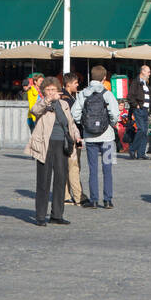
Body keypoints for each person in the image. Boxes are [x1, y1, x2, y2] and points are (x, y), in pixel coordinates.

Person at [27, 76, 80, 226]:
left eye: (53, 90)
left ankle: (57, 214)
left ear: (58, 90)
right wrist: (48, 100)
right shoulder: (42, 103)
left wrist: (76, 135)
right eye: (48, 90)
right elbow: (34, 110)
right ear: (43, 91)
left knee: (60, 179)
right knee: (43, 181)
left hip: (62, 145)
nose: (50, 92)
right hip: (45, 145)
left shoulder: (64, 104)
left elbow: (70, 123)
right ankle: (40, 215)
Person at [71, 65, 119, 209]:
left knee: (92, 169)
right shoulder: (107, 94)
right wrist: (110, 124)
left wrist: (84, 124)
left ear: (90, 77)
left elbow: (75, 113)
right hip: (108, 137)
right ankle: (108, 200)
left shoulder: (83, 93)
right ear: (104, 78)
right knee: (107, 168)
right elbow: (115, 114)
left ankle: (93, 200)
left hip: (90, 137)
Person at [62, 72, 88, 207]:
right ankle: (78, 197)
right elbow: (72, 121)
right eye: (76, 83)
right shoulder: (67, 99)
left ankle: (66, 195)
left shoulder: (68, 96)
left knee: (68, 167)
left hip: (68, 136)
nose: (78, 85)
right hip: (71, 136)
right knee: (74, 166)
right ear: (68, 84)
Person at [128, 65, 151, 160]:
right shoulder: (136, 82)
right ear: (142, 72)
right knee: (141, 129)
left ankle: (141, 153)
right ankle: (132, 149)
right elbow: (130, 96)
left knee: (145, 132)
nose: (149, 74)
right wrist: (136, 105)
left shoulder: (146, 85)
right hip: (139, 109)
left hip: (145, 110)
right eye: (148, 72)